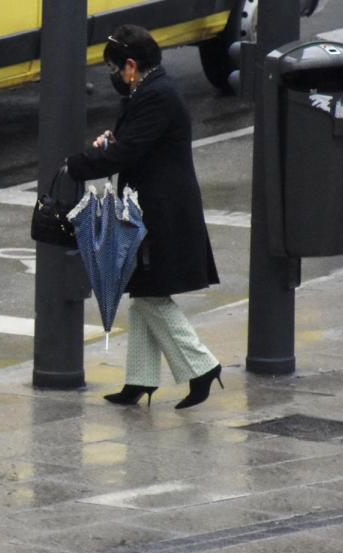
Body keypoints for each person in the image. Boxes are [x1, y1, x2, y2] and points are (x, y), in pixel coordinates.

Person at [65, 24, 222, 410]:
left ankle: (203, 366)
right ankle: (140, 380)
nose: (114, 77)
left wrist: (76, 166)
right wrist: (112, 142)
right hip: (155, 209)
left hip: (163, 214)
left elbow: (128, 152)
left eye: (116, 69)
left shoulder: (157, 96)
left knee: (151, 295)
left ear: (131, 65)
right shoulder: (151, 90)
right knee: (143, 294)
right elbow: (135, 143)